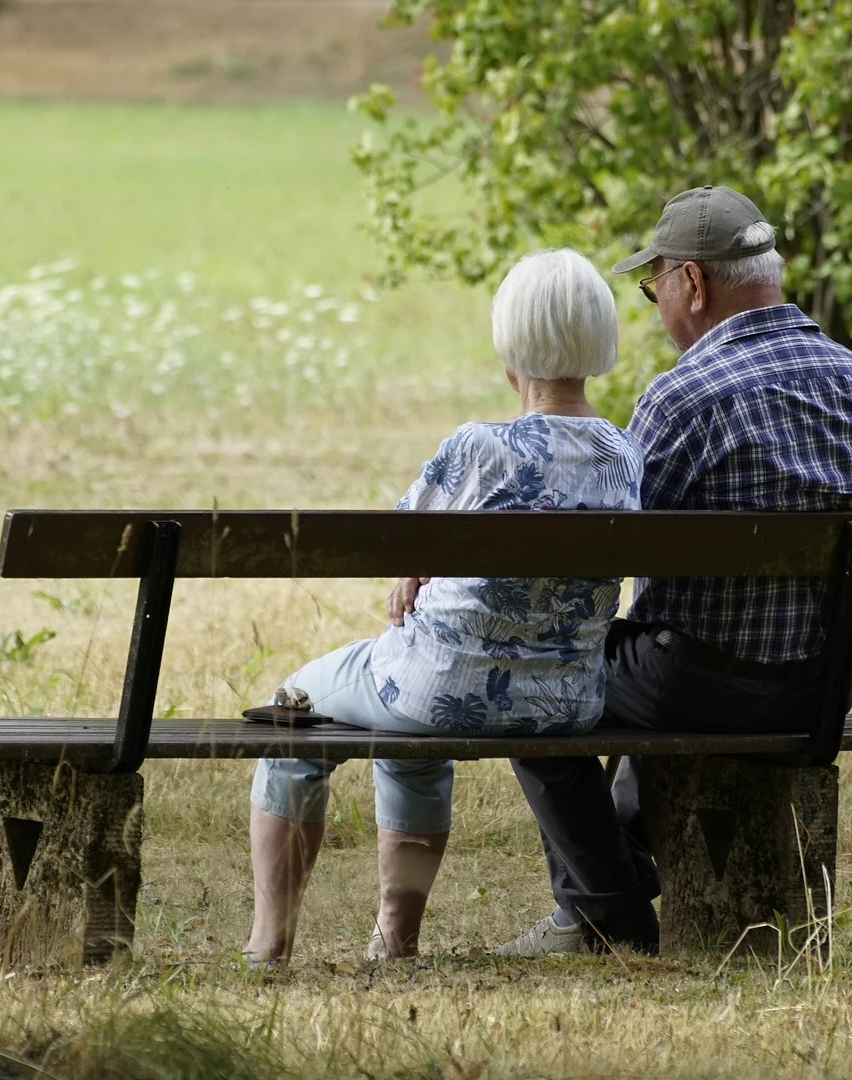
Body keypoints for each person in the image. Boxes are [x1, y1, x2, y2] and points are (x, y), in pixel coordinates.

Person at [494, 186, 852, 957]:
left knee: (531, 677)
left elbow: (614, 555)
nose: (656, 307)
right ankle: (618, 875)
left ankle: (606, 912)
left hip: (701, 686)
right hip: (822, 684)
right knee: (659, 647)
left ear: (692, 283)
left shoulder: (682, 398)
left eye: (654, 290)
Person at [243, 248, 645, 965]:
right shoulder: (625, 455)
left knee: (292, 707)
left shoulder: (478, 449)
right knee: (406, 727)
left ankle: (269, 943)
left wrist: (414, 567)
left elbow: (394, 540)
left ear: (510, 346)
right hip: (566, 702)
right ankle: (393, 940)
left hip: (439, 690)